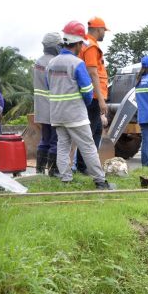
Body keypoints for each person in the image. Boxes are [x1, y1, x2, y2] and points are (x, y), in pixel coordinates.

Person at [47, 21, 113, 189]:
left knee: (63, 145)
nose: (81, 48)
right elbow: (87, 90)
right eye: (80, 45)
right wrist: (87, 103)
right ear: (77, 43)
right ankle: (100, 181)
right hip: (75, 113)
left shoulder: (52, 63)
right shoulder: (77, 63)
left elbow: (50, 86)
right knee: (88, 146)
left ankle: (66, 178)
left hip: (56, 113)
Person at [75, 16, 110, 174]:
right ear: (98, 29)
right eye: (104, 30)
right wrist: (101, 99)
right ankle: (85, 167)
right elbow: (93, 73)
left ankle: (87, 165)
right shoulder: (91, 46)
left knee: (94, 131)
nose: (104, 33)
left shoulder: (85, 44)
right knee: (89, 133)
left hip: (93, 96)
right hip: (94, 97)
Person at [32, 32, 62, 175]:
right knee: (55, 140)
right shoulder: (55, 62)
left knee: (45, 139)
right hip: (54, 107)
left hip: (41, 108)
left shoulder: (39, 61)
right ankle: (53, 172)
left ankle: (39, 171)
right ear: (56, 46)